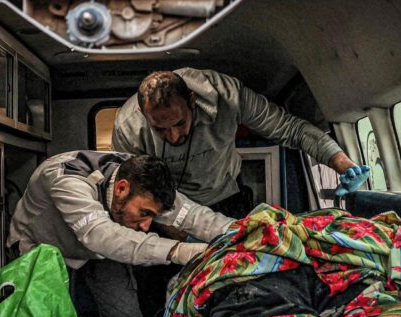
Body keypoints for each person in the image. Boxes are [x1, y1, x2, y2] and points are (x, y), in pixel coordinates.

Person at [7, 151, 233, 317]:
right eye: (144, 214)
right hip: (41, 251)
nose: (146, 226)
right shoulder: (66, 179)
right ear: (121, 189)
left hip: (97, 254)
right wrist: (178, 251)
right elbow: (100, 235)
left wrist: (247, 230)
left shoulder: (141, 179)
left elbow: (192, 216)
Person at [112, 69, 369, 218]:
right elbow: (135, 191)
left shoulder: (228, 97)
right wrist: (172, 226)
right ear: (144, 116)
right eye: (160, 129)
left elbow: (293, 130)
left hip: (225, 198)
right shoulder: (128, 128)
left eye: (180, 124)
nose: (174, 137)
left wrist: (343, 165)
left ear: (192, 101)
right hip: (163, 206)